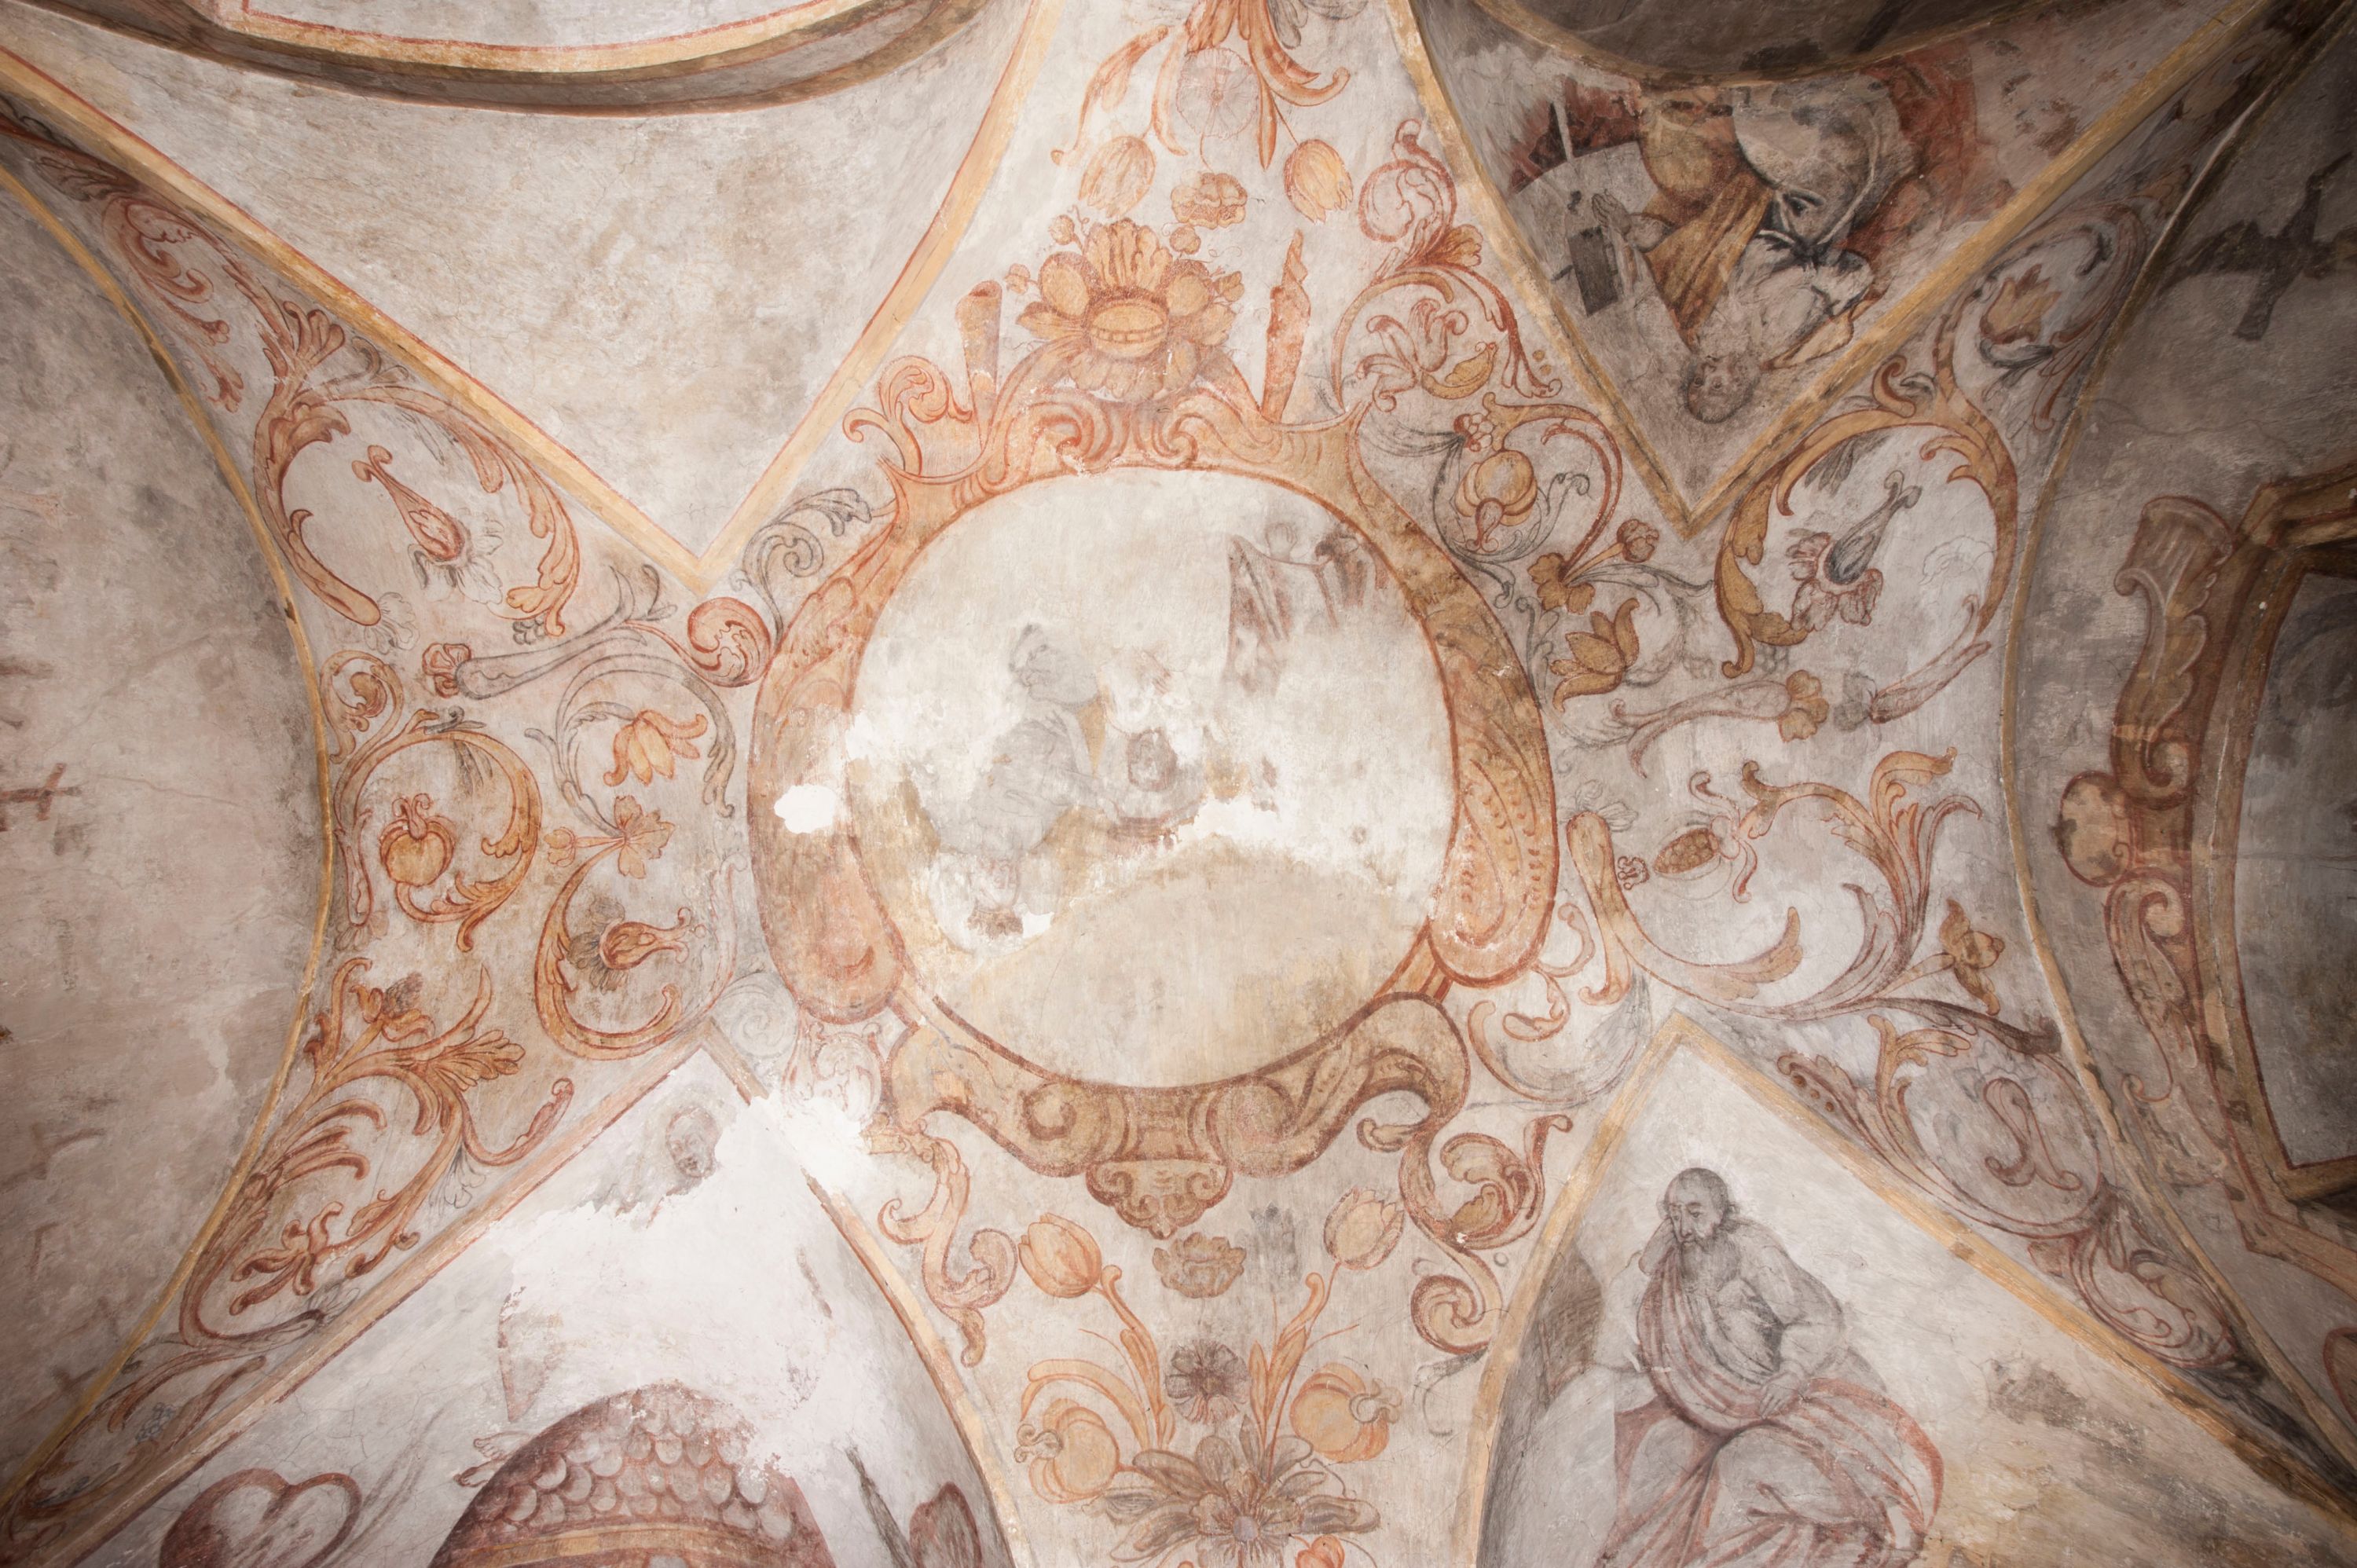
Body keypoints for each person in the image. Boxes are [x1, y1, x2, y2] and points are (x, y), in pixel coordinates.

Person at [1596, 1168, 1941, 1567]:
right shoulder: (1670, 1266)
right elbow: (1612, 1348)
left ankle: (1878, 1517)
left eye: (1695, 1213)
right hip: (1719, 1409)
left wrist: (1792, 1372)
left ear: (1723, 1212)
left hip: (1796, 1396)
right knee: (1661, 1461)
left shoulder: (1750, 1250)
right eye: (1674, 1215)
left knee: (1742, 1465)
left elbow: (1817, 1317)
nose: (1684, 1228)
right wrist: (1644, 1265)